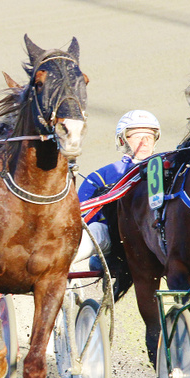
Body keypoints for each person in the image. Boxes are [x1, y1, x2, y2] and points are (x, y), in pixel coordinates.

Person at [73, 109, 161, 266]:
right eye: (138, 136)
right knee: (95, 230)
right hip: (114, 238)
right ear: (122, 141)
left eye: (150, 136)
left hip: (158, 234)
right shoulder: (100, 177)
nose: (145, 142)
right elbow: (83, 219)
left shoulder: (168, 168)